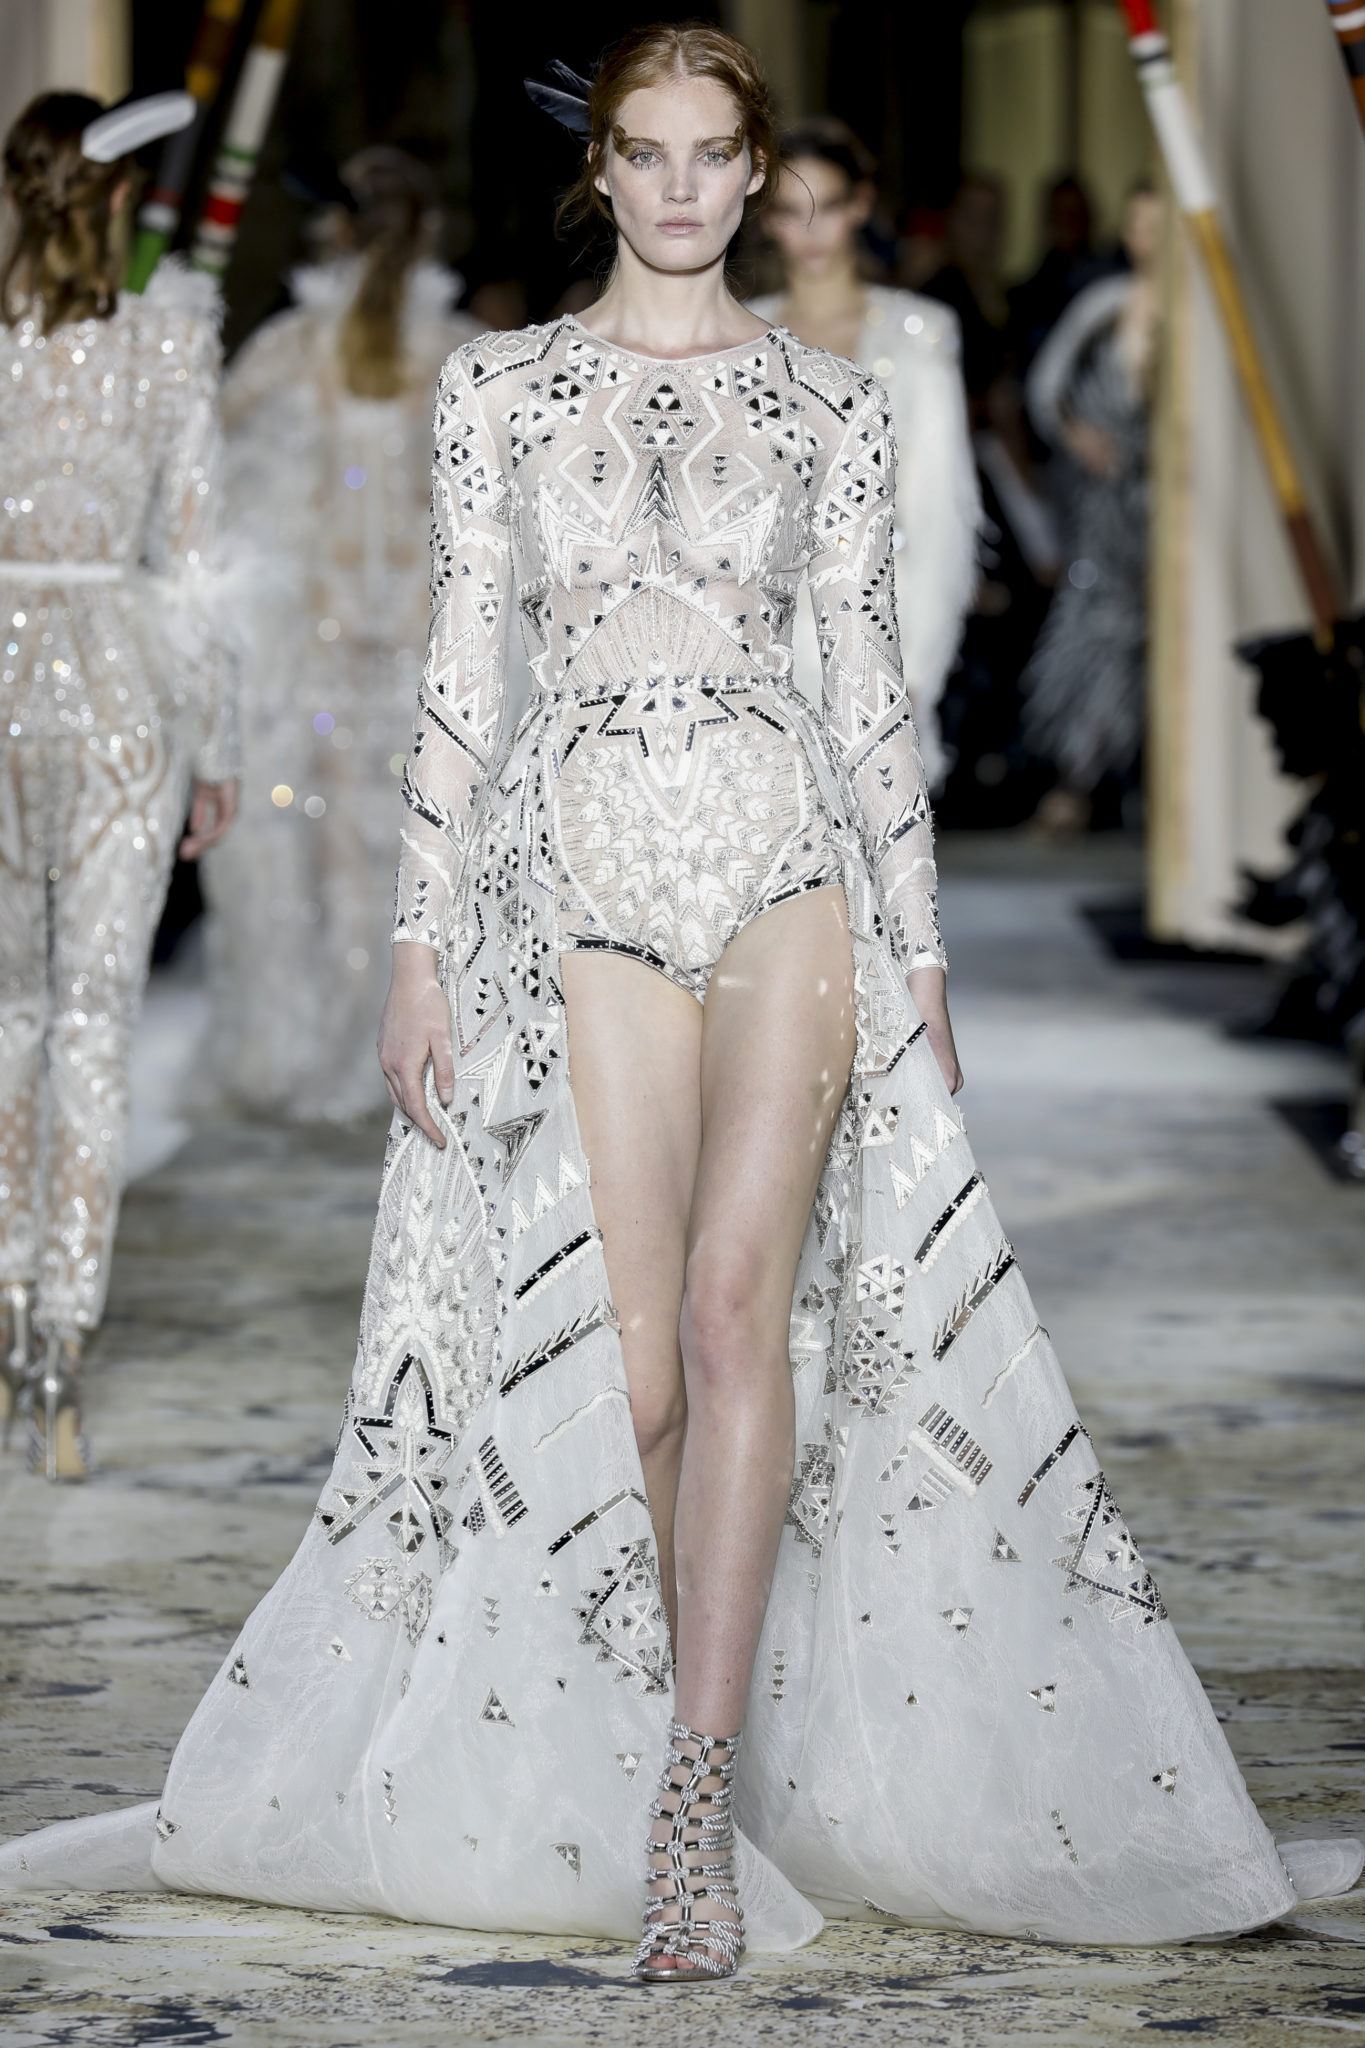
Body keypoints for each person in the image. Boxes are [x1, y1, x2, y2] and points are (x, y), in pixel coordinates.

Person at [3, 28, 1360, 1977]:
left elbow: (866, 689)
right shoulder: (501, 390)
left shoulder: (829, 404)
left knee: (740, 1317)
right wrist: (415, 943)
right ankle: (658, 1726)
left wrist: (916, 954)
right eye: (644, 153)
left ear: (749, 172)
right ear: (605, 172)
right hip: (579, 876)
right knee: (633, 1374)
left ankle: (690, 1797)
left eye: (711, 154)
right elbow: (461, 675)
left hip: (782, 861)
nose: (678, 187)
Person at [0, 93, 238, 1479]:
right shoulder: (167, 339)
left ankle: (17, 1302)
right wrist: (221, 742)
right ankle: (57, 1341)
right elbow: (195, 559)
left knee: (14, 1016)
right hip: (121, 699)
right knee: (88, 1019)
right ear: (113, 195)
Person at [200, 149, 482, 1123]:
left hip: (319, 635)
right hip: (423, 637)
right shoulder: (462, 351)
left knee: (320, 846)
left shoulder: (290, 348)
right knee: (411, 847)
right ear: (429, 232)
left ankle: (327, 1048)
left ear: (335, 230)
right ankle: (394, 1051)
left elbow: (210, 472)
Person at [750, 117, 978, 788]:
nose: (810, 231)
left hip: (884, 623)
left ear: (861, 204)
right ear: (765, 218)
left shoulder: (920, 334)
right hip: (761, 643)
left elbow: (940, 512)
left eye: (827, 206)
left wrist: (917, 671)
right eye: (789, 210)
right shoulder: (734, 337)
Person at [1021, 183, 1160, 834]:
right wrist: (1080, 438)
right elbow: (1046, 388)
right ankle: (1078, 773)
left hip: (1164, 501)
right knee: (1099, 621)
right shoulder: (1106, 304)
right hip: (1104, 503)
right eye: (1138, 224)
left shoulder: (1196, 308)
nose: (1148, 238)